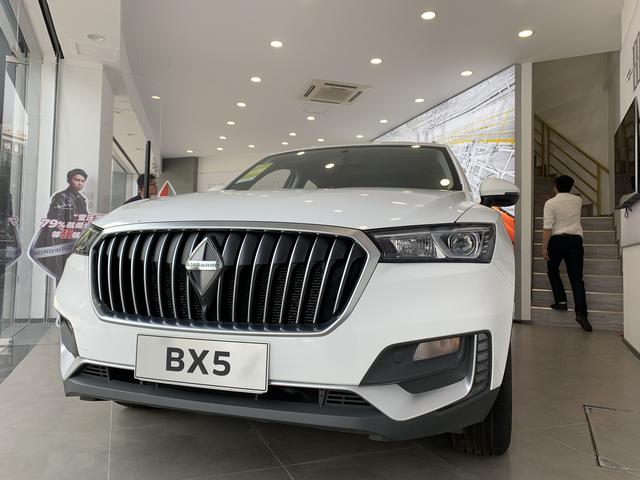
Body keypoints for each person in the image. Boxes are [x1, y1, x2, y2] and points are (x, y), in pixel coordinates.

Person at [542, 175, 592, 332]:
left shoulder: (550, 203)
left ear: (555, 186)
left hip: (557, 241)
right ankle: (582, 314)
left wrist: (544, 247)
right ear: (571, 187)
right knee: (577, 279)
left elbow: (548, 227)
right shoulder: (578, 201)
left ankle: (561, 301)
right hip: (575, 241)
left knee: (552, 270)